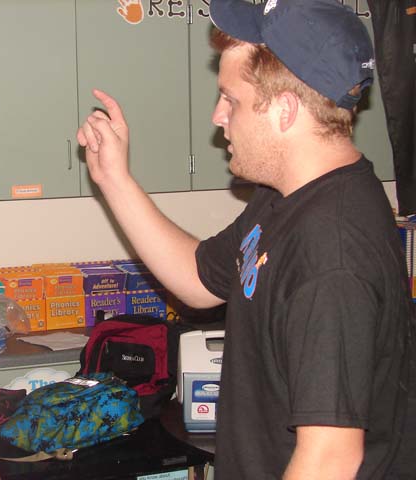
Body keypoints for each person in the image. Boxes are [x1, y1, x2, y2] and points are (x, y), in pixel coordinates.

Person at [77, 0, 414, 478]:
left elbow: (330, 459)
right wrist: (114, 179)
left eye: (230, 99)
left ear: (284, 110)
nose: (218, 116)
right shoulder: (285, 198)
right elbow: (198, 278)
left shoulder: (333, 253)